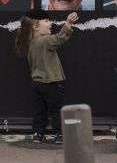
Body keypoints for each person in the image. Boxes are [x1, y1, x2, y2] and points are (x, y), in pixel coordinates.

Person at [14, 8, 79, 144]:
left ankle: (38, 134)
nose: (50, 23)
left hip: (37, 84)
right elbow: (60, 38)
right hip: (51, 83)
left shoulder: (30, 43)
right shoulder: (45, 41)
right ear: (35, 26)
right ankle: (60, 134)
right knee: (57, 110)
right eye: (46, 20)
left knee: (40, 111)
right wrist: (68, 24)